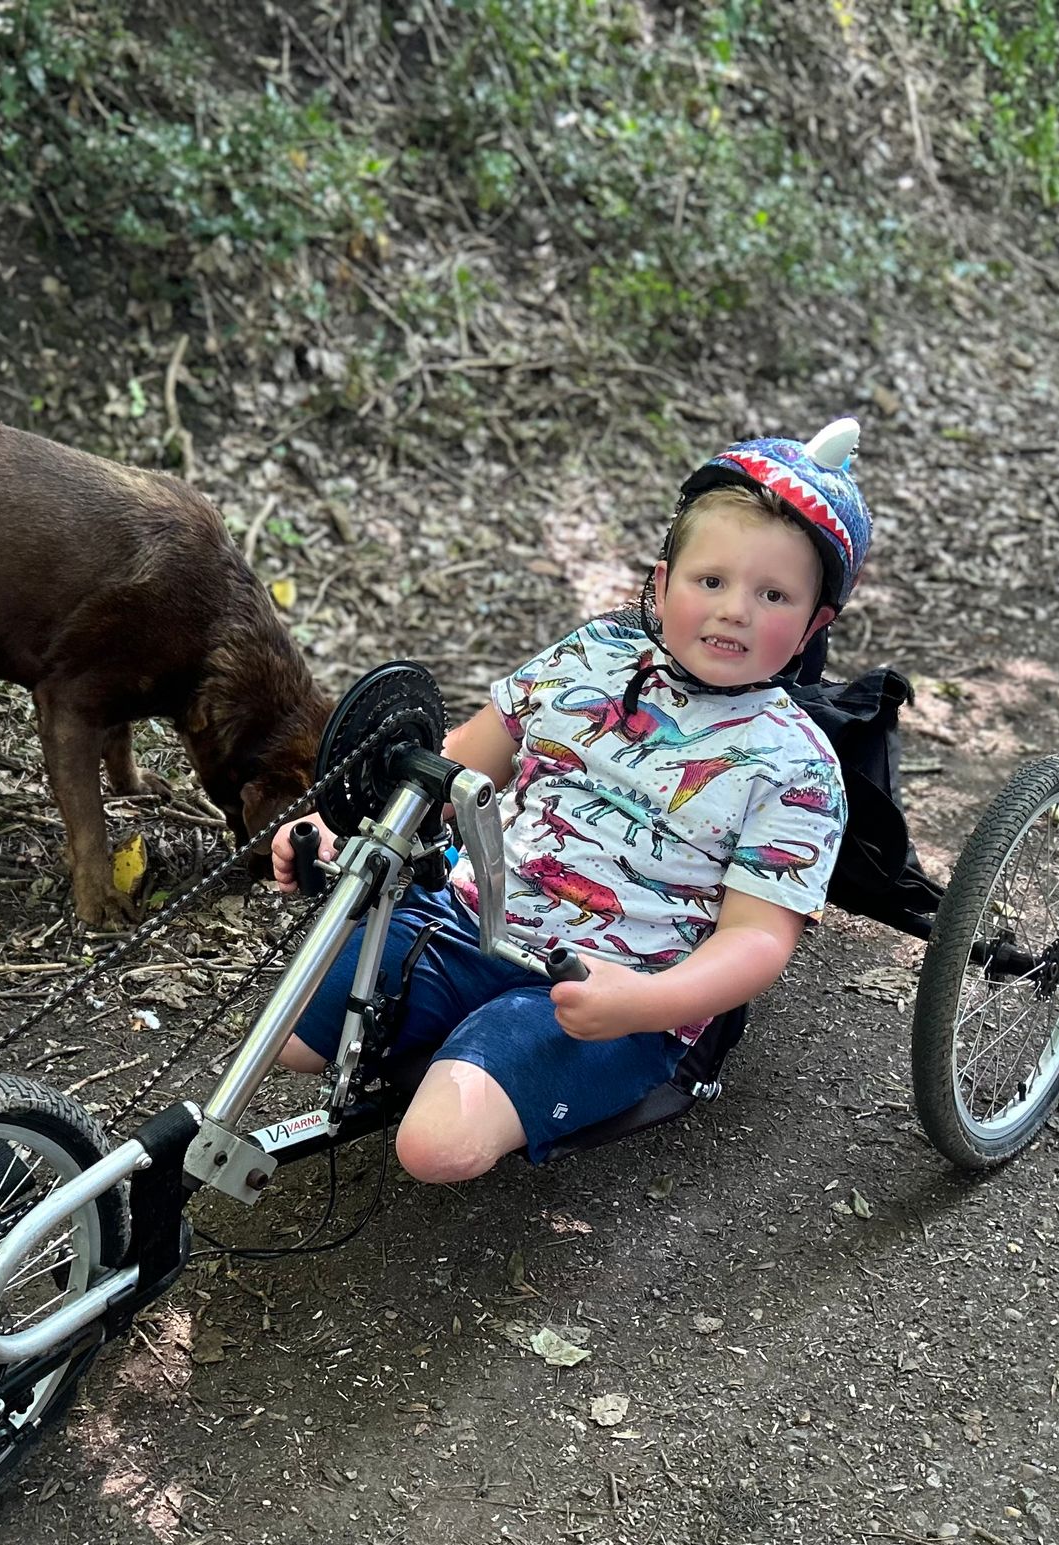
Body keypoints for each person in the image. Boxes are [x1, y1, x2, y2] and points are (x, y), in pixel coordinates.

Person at [270, 419, 872, 1182]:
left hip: (614, 981)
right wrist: (340, 825)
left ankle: (496, 1058)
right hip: (470, 917)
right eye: (710, 580)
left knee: (432, 1146)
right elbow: (459, 764)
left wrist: (647, 1004)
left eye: (774, 594)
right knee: (288, 1035)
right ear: (661, 583)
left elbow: (757, 940)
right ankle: (471, 1040)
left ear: (816, 625)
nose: (735, 611)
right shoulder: (590, 657)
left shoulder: (796, 765)